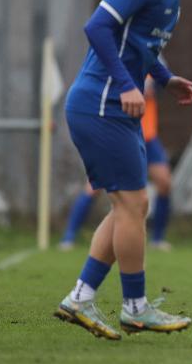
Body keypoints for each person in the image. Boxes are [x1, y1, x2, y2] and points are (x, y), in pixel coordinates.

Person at [55, 0, 192, 340]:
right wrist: (128, 85)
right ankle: (135, 308)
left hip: (117, 109)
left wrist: (165, 79)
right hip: (100, 105)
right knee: (132, 205)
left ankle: (80, 298)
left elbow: (139, 47)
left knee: (131, 206)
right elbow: (97, 27)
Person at [58, 76, 175, 252]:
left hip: (148, 137)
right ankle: (69, 236)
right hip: (121, 135)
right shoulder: (115, 68)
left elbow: (158, 86)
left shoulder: (153, 66)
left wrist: (156, 84)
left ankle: (157, 238)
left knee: (164, 183)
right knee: (95, 186)